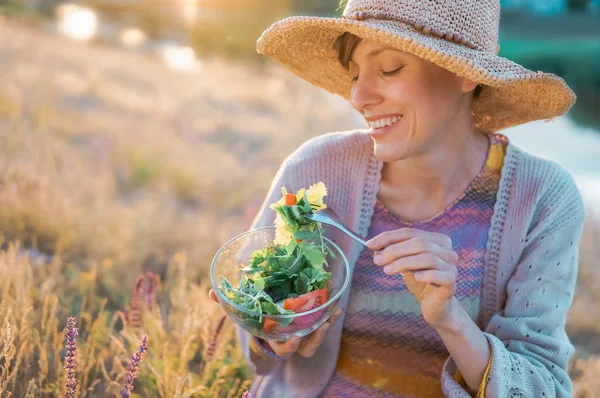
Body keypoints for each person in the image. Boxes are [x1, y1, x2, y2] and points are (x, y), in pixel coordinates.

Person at [208, 0, 586, 396]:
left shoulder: (543, 199)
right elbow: (259, 350)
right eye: (354, 74)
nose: (358, 97)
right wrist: (274, 329)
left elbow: (543, 387)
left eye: (389, 69)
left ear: (466, 74)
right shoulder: (314, 170)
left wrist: (450, 319)